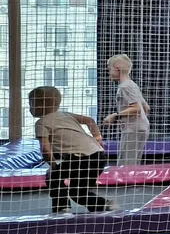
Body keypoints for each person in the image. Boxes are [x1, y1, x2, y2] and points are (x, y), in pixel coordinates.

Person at [29, 86, 115, 214]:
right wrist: (98, 139)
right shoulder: (66, 115)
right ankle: (106, 205)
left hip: (80, 158)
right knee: (77, 192)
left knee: (52, 176)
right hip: (98, 156)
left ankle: (62, 208)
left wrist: (53, 166)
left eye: (30, 104)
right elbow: (90, 121)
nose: (30, 108)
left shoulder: (41, 123)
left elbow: (45, 149)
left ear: (39, 105)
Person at [103, 54, 151, 165]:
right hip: (140, 128)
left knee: (125, 163)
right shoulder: (132, 85)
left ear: (117, 69)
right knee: (133, 161)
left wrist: (115, 116)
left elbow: (137, 108)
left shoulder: (125, 87)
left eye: (109, 69)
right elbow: (146, 108)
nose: (109, 72)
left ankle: (127, 177)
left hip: (133, 130)